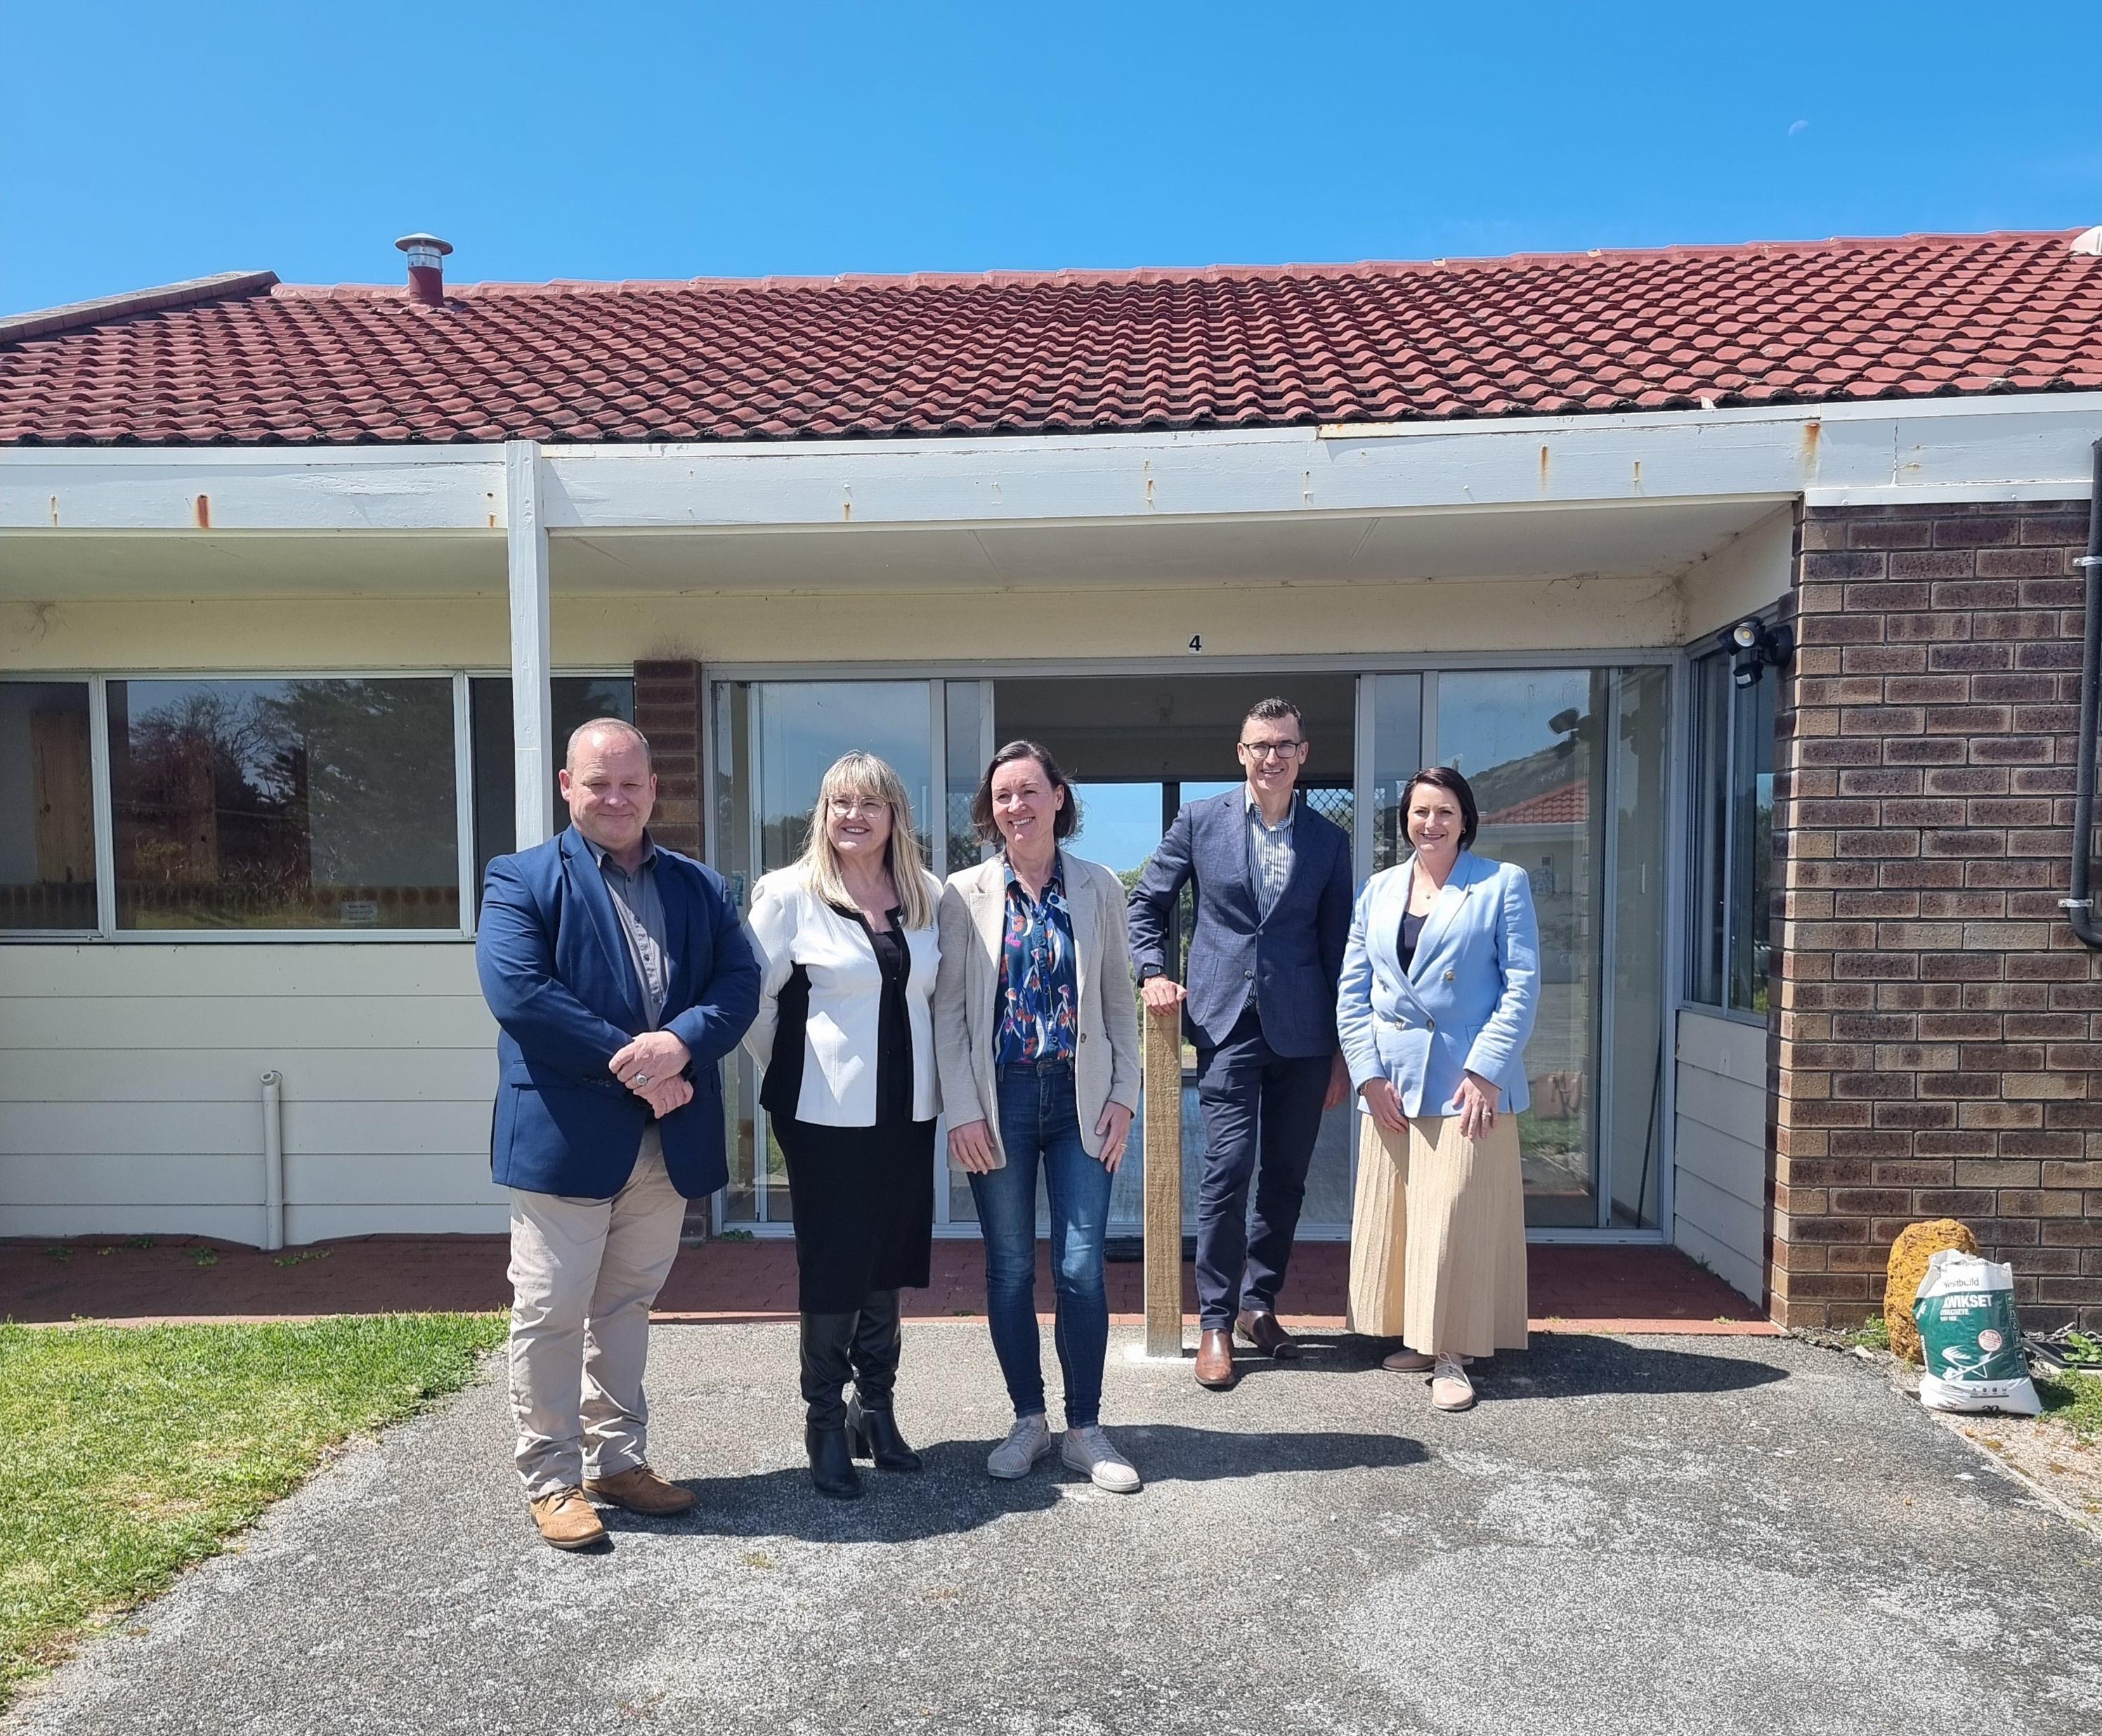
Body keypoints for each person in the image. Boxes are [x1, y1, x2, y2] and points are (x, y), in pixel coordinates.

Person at [477, 718, 759, 1551]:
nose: (616, 796)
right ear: (567, 785)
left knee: (627, 1305)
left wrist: (682, 1042)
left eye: (630, 782)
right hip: (567, 1135)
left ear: (652, 788)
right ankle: (552, 1478)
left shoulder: (698, 885)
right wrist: (639, 1062)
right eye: (598, 782)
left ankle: (618, 1460)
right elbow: (522, 993)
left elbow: (739, 980)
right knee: (552, 1309)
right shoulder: (520, 877)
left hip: (664, 1139)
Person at [934, 741, 1144, 1492]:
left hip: (1081, 1097)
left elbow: (1119, 1001)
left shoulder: (1099, 887)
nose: (1015, 806)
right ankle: (1029, 1420)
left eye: (1028, 791)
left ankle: (1085, 1427)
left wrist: (1125, 1094)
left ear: (1059, 796)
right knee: (1012, 1266)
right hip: (1002, 1097)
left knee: (1083, 1265)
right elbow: (950, 1013)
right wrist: (960, 1108)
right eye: (1001, 796)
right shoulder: (962, 893)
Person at [1127, 697, 1353, 1390]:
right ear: (1241, 751)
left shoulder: (1327, 839)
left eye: (1285, 744)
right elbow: (1146, 903)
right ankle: (1215, 1320)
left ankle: (1260, 1304)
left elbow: (1340, 946)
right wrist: (1153, 972)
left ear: (1302, 753)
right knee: (1226, 1169)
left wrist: (1345, 1048)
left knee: (1285, 1176)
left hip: (1306, 1032)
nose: (1272, 756)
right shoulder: (1200, 821)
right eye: (1260, 744)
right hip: (1226, 1025)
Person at [743, 752, 944, 1501]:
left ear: (896, 815)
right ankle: (824, 1422)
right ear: (821, 814)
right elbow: (752, 1003)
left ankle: (877, 1411)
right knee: (834, 1264)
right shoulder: (787, 895)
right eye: (838, 803)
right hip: (822, 1116)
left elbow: (933, 997)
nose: (852, 816)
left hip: (906, 1110)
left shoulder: (925, 894)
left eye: (868, 804)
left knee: (888, 1258)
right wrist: (795, 1068)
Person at [1337, 766, 1539, 1413]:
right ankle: (1422, 1338)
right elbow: (1353, 991)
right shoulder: (1378, 889)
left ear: (1465, 818)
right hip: (1393, 1081)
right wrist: (1367, 1074)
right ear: (1405, 820)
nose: (1431, 823)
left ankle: (1453, 1354)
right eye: (1420, 811)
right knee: (1408, 1219)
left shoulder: (1502, 884)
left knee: (1456, 1214)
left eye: (1445, 811)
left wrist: (1487, 1071)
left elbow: (1522, 986)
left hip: (1466, 1082)